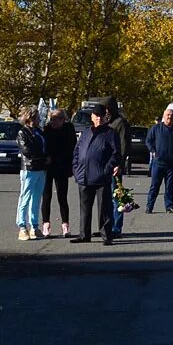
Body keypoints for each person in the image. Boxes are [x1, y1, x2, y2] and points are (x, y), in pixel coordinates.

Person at [71, 104, 120, 246]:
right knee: (84, 208)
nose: (98, 119)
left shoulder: (110, 133)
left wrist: (107, 169)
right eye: (96, 116)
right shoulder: (86, 133)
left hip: (101, 176)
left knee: (104, 208)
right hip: (83, 176)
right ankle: (84, 234)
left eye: (101, 116)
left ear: (105, 117)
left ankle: (106, 235)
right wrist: (76, 167)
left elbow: (116, 154)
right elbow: (77, 151)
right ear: (92, 117)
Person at [42, 109, 77, 237]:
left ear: (63, 119)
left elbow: (72, 147)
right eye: (52, 119)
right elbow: (43, 147)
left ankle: (65, 224)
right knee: (46, 197)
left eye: (56, 119)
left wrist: (70, 165)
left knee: (62, 197)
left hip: (62, 167)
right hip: (48, 167)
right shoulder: (46, 129)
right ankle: (46, 224)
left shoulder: (68, 129)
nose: (54, 122)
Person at [15, 107, 48, 241]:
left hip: (41, 168)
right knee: (25, 197)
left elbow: (45, 146)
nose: (39, 119)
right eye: (37, 117)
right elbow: (26, 151)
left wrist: (46, 157)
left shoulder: (39, 132)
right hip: (29, 168)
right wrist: (42, 157)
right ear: (30, 118)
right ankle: (22, 226)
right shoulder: (22, 133)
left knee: (36, 198)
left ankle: (34, 226)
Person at [145, 108, 173, 214]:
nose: (169, 117)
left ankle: (169, 206)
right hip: (158, 163)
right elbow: (148, 141)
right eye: (168, 115)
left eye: (172, 116)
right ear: (164, 116)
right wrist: (153, 151)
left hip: (171, 163)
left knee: (169, 186)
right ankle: (149, 207)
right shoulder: (156, 128)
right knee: (154, 186)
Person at [106, 97, 130, 238]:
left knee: (116, 197)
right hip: (104, 165)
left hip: (115, 165)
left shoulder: (120, 123)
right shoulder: (107, 122)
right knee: (106, 198)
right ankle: (107, 225)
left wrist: (119, 164)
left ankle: (116, 227)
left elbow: (123, 145)